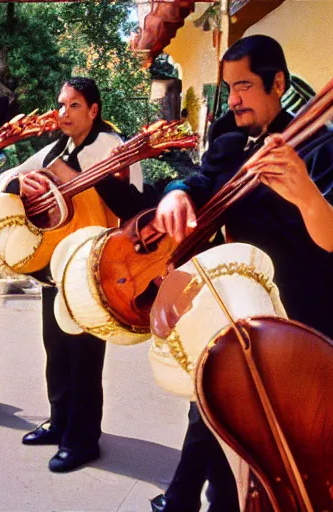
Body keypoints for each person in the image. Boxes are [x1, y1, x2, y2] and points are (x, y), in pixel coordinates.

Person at [149, 35, 333, 511]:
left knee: (281, 449)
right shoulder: (231, 141)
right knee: (214, 415)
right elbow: (199, 179)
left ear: (279, 83)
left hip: (302, 322)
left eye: (244, 86)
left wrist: (307, 196)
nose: (232, 100)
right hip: (235, 311)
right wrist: (176, 192)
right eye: (229, 87)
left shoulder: (319, 145)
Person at [5, 76, 148, 473]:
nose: (63, 113)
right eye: (61, 105)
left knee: (84, 356)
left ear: (94, 110)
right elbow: (12, 177)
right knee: (57, 350)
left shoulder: (112, 147)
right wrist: (23, 181)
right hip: (56, 265)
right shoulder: (57, 148)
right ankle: (60, 421)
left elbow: (133, 205)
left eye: (73, 106)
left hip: (93, 270)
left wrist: (85, 179)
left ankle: (83, 439)